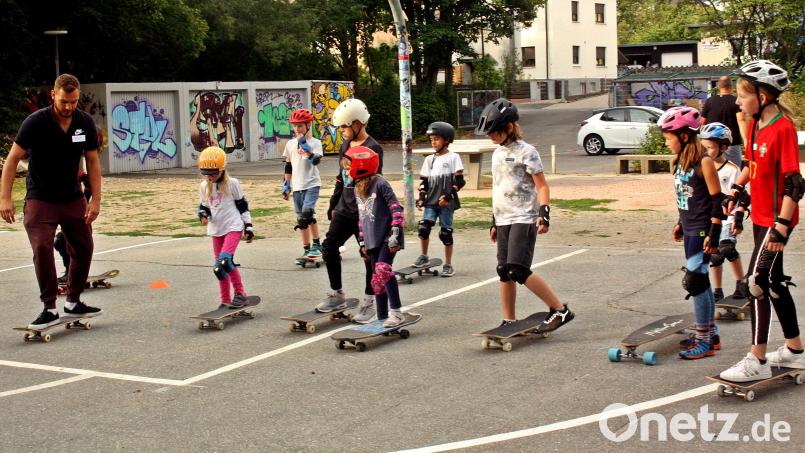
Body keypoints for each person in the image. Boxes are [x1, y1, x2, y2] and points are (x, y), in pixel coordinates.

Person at [719, 60, 805, 381]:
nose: (738, 102)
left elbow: (794, 184)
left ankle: (757, 358)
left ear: (764, 96)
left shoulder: (782, 128)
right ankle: (796, 350)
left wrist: (781, 228)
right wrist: (739, 192)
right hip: (762, 216)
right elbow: (752, 165)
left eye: (743, 95)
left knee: (755, 282)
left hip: (778, 219)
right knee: (773, 281)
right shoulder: (755, 124)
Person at [0, 74, 102, 329]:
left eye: (74, 102)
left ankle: (73, 301)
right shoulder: (36, 122)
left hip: (72, 197)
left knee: (84, 247)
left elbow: (92, 161)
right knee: (43, 249)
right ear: (53, 95)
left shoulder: (84, 122)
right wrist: (5, 198)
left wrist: (96, 200)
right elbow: (12, 160)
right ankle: (49, 307)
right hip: (40, 199)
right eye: (64, 101)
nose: (69, 107)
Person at [475, 98, 574, 332]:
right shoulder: (497, 153)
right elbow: (499, 188)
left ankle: (560, 309)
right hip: (503, 219)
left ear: (509, 128)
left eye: (494, 132)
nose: (491, 137)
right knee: (503, 271)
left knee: (517, 269)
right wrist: (494, 221)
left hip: (523, 217)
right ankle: (509, 319)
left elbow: (542, 186)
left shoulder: (527, 152)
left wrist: (544, 213)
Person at [659, 105, 725, 360]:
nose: (666, 144)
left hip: (702, 230)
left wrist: (714, 233)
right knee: (702, 282)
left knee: (695, 282)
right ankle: (710, 333)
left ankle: (704, 339)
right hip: (689, 227)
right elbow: (685, 197)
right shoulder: (679, 162)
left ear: (684, 136)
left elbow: (716, 200)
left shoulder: (704, 162)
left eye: (668, 138)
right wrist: (679, 221)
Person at [316, 98, 383, 324]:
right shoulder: (345, 146)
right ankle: (337, 294)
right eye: (341, 127)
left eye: (345, 126)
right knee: (328, 247)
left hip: (364, 212)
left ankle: (369, 301)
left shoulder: (373, 148)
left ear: (358, 123)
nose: (342, 131)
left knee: (368, 256)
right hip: (344, 209)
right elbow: (341, 177)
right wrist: (333, 204)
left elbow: (373, 183)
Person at [347, 146, 407, 326]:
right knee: (376, 279)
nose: (347, 168)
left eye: (349, 165)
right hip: (372, 238)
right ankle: (381, 315)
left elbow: (396, 208)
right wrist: (362, 241)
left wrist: (395, 232)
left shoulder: (380, 183)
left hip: (388, 236)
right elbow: (361, 216)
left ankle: (396, 312)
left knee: (383, 270)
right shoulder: (357, 188)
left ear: (360, 165)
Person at [197, 146, 254, 309]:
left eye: (214, 173)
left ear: (222, 169)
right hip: (216, 229)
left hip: (233, 226)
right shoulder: (204, 186)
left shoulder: (232, 184)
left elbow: (243, 206)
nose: (210, 177)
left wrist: (248, 227)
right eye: (206, 174)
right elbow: (204, 206)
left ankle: (241, 294)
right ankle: (225, 300)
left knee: (224, 261)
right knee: (218, 268)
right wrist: (202, 215)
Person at [699, 122, 747, 302]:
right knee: (714, 255)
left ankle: (741, 283)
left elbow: (744, 196)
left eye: (710, 147)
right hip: (712, 218)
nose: (706, 152)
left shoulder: (732, 169)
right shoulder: (703, 168)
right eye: (704, 147)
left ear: (723, 147)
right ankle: (717, 289)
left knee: (727, 249)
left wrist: (739, 217)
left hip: (729, 218)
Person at [412, 122, 464, 277]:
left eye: (437, 139)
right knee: (423, 227)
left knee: (446, 233)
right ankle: (424, 256)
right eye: (431, 139)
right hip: (431, 202)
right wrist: (421, 198)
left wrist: (447, 196)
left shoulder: (454, 157)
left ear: (447, 140)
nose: (433, 142)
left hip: (446, 203)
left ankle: (448, 264)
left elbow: (460, 181)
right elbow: (424, 183)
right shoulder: (429, 160)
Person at [282, 108, 324, 264]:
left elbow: (316, 161)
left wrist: (306, 147)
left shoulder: (315, 143)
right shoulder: (290, 144)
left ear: (308, 125)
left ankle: (317, 244)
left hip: (312, 184)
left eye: (300, 125)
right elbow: (288, 166)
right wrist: (286, 185)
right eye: (294, 126)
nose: (297, 129)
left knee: (307, 213)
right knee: (302, 220)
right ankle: (307, 249)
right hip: (297, 186)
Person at [55, 168, 93, 284]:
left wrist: (86, 200)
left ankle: (74, 273)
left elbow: (88, 182)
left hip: (79, 215)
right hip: (64, 213)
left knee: (67, 242)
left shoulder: (74, 171)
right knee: (61, 242)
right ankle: (70, 271)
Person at [701, 76, 745, 166]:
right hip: (732, 143)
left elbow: (702, 122)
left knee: (713, 172)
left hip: (712, 144)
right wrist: (746, 140)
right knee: (734, 172)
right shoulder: (736, 101)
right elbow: (741, 120)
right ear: (731, 87)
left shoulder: (709, 101)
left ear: (719, 87)